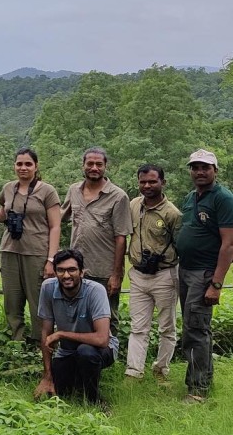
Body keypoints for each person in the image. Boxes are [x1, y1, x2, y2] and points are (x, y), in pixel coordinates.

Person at [175, 149, 233, 402]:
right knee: (191, 327)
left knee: (196, 329)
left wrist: (216, 284)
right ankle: (201, 381)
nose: (200, 171)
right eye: (195, 167)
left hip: (204, 273)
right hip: (186, 270)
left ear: (215, 171)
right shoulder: (191, 197)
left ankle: (198, 390)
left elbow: (229, 244)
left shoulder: (223, 198)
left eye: (205, 167)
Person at [0, 148, 62, 342]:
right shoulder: (8, 188)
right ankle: (17, 341)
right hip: (10, 250)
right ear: (14, 165)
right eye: (19, 163)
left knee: (37, 301)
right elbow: (2, 215)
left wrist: (51, 259)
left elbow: (55, 226)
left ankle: (42, 342)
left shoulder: (47, 191)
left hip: (36, 252)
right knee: (12, 301)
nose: (23, 168)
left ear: (36, 166)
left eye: (28, 164)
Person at [61, 147, 132, 336]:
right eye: (90, 163)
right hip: (76, 268)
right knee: (76, 312)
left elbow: (121, 237)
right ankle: (80, 352)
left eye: (98, 164)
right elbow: (60, 217)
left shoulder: (118, 196)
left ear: (105, 167)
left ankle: (108, 352)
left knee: (107, 314)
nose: (94, 168)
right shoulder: (73, 190)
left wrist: (116, 274)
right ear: (83, 165)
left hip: (104, 269)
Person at [34, 249, 117, 404]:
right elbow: (46, 332)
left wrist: (62, 334)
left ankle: (95, 401)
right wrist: (47, 376)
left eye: (72, 270)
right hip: (67, 351)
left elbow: (102, 339)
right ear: (56, 272)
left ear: (82, 272)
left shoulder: (95, 291)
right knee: (60, 394)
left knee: (86, 352)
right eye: (61, 270)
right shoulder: (48, 288)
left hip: (101, 350)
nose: (66, 275)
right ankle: (78, 381)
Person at [125, 164, 181, 381]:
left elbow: (180, 246)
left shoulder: (172, 214)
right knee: (138, 327)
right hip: (138, 274)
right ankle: (133, 372)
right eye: (143, 182)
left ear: (162, 183)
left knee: (167, 327)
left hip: (164, 274)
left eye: (152, 181)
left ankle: (161, 370)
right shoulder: (133, 205)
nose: (147, 186)